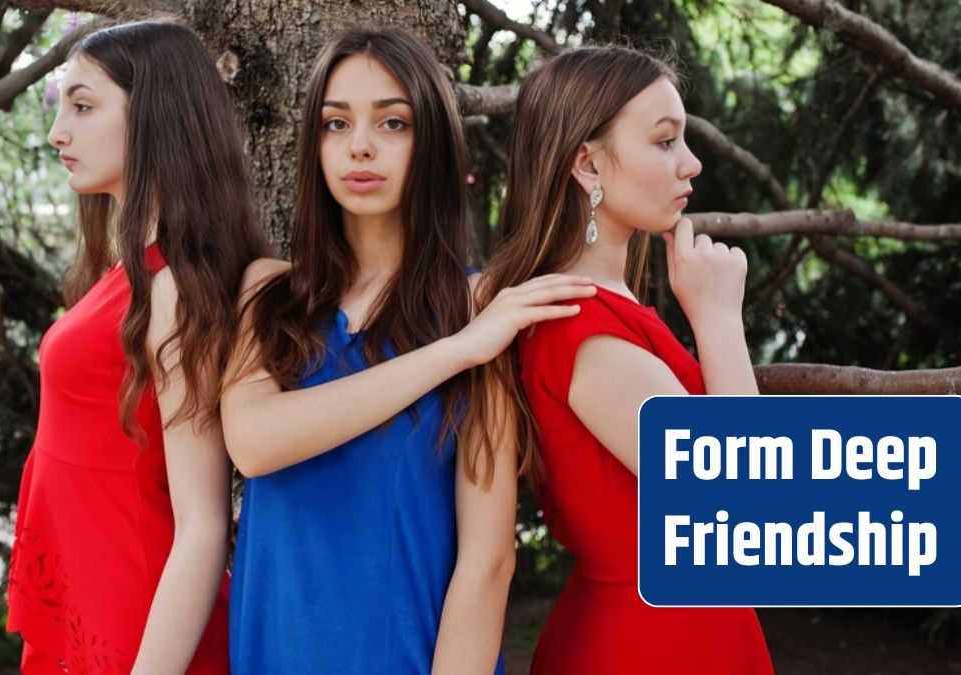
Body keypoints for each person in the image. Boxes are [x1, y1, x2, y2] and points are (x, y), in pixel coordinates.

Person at [220, 27, 596, 674]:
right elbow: (254, 440)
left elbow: (488, 561)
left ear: (432, 146)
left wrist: (467, 339)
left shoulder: (478, 308)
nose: (360, 145)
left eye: (393, 122)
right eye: (336, 124)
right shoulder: (269, 293)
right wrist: (453, 354)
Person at [479, 45, 774, 674]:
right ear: (587, 164)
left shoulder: (597, 309)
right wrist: (720, 320)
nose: (691, 164)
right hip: (653, 646)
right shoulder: (584, 331)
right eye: (665, 142)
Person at [5, 21, 267, 674]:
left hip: (139, 622)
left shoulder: (176, 288)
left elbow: (203, 521)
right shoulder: (126, 272)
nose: (56, 132)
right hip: (90, 595)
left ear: (156, 115)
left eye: (83, 105)